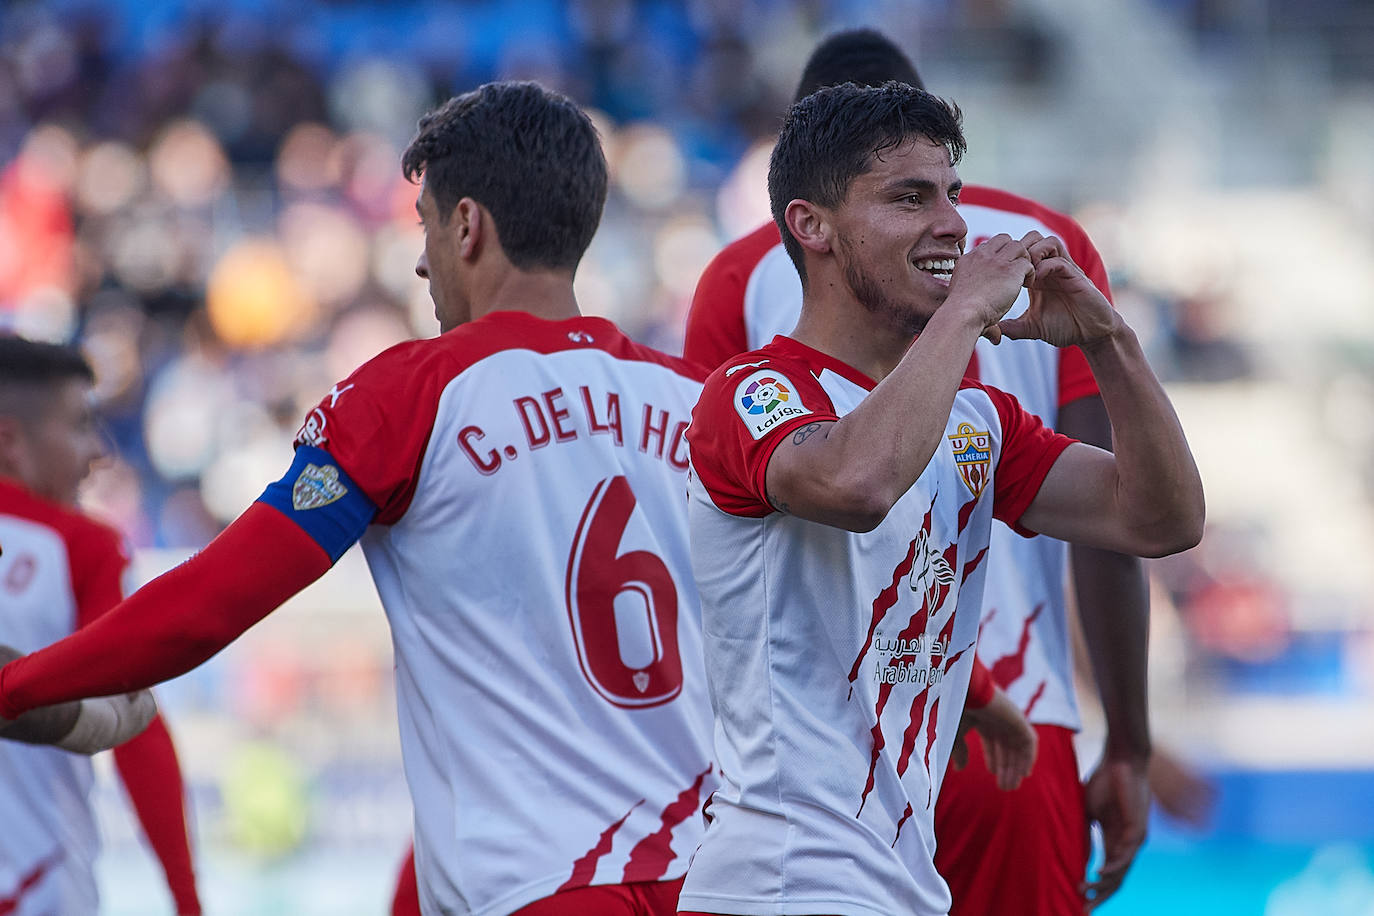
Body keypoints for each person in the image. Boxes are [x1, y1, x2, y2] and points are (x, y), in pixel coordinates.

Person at [0, 81, 720, 916]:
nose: (420, 262)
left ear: (467, 226)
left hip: (540, 889)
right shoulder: (701, 404)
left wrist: (16, 687)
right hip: (712, 883)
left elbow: (208, 605)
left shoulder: (411, 393)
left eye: (425, 226)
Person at [677, 81, 1203, 916]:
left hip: (899, 884)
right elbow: (858, 484)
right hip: (783, 885)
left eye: (951, 193)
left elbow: (1161, 519)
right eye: (908, 198)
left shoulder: (977, 420)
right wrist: (964, 310)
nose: (954, 223)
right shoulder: (749, 392)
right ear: (811, 225)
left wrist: (1109, 339)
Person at [0, 336, 202, 916]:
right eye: (79, 426)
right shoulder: (82, 547)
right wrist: (187, 900)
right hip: (41, 887)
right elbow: (137, 726)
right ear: (10, 441)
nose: (97, 452)